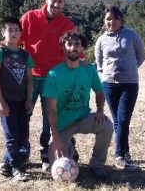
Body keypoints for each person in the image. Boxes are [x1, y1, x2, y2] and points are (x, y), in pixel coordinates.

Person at [18, 0, 79, 170]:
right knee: (23, 116)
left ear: (64, 4)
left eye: (60, 2)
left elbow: (74, 48)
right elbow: (15, 40)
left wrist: (82, 63)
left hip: (52, 79)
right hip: (29, 76)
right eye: (53, 0)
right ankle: (21, 152)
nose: (56, 4)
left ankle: (46, 154)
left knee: (49, 119)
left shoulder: (67, 24)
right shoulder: (29, 17)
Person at [43, 32, 113, 180]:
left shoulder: (89, 69)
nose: (73, 47)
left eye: (77, 44)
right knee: (58, 167)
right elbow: (51, 109)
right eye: (69, 44)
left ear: (82, 48)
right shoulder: (53, 74)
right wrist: (55, 137)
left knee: (106, 126)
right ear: (63, 47)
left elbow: (100, 93)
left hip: (83, 118)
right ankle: (69, 151)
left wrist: (100, 111)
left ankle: (97, 165)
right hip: (62, 126)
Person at [94, 6, 145, 170]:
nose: (112, 22)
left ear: (121, 19)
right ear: (104, 21)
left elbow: (141, 55)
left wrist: (130, 68)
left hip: (129, 83)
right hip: (109, 84)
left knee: (123, 119)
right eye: (108, 19)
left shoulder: (131, 35)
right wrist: (108, 72)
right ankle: (125, 151)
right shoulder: (101, 40)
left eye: (115, 18)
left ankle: (119, 156)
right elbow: (99, 61)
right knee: (118, 120)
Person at [0, 16, 34, 181]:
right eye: (10, 30)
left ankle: (6, 163)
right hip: (7, 101)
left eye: (17, 30)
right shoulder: (0, 52)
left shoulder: (25, 55)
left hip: (22, 102)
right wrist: (1, 101)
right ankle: (17, 168)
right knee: (12, 136)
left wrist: (29, 98)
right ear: (3, 32)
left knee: (23, 136)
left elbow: (29, 80)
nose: (14, 33)